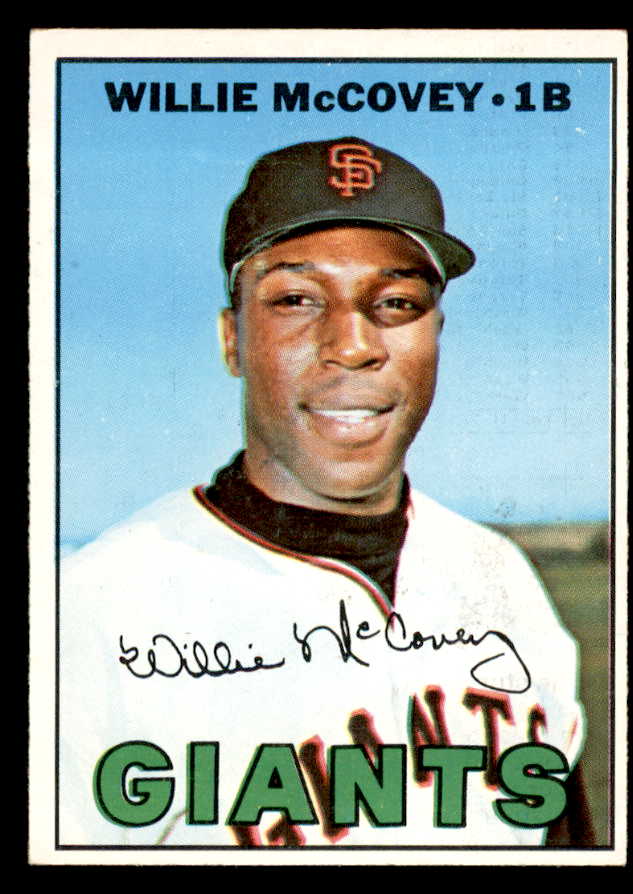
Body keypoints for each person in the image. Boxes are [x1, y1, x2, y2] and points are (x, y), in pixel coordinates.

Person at [60, 136, 592, 848]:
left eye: (396, 302)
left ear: (436, 336)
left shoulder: (502, 580)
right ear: (232, 340)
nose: (352, 344)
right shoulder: (91, 611)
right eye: (296, 299)